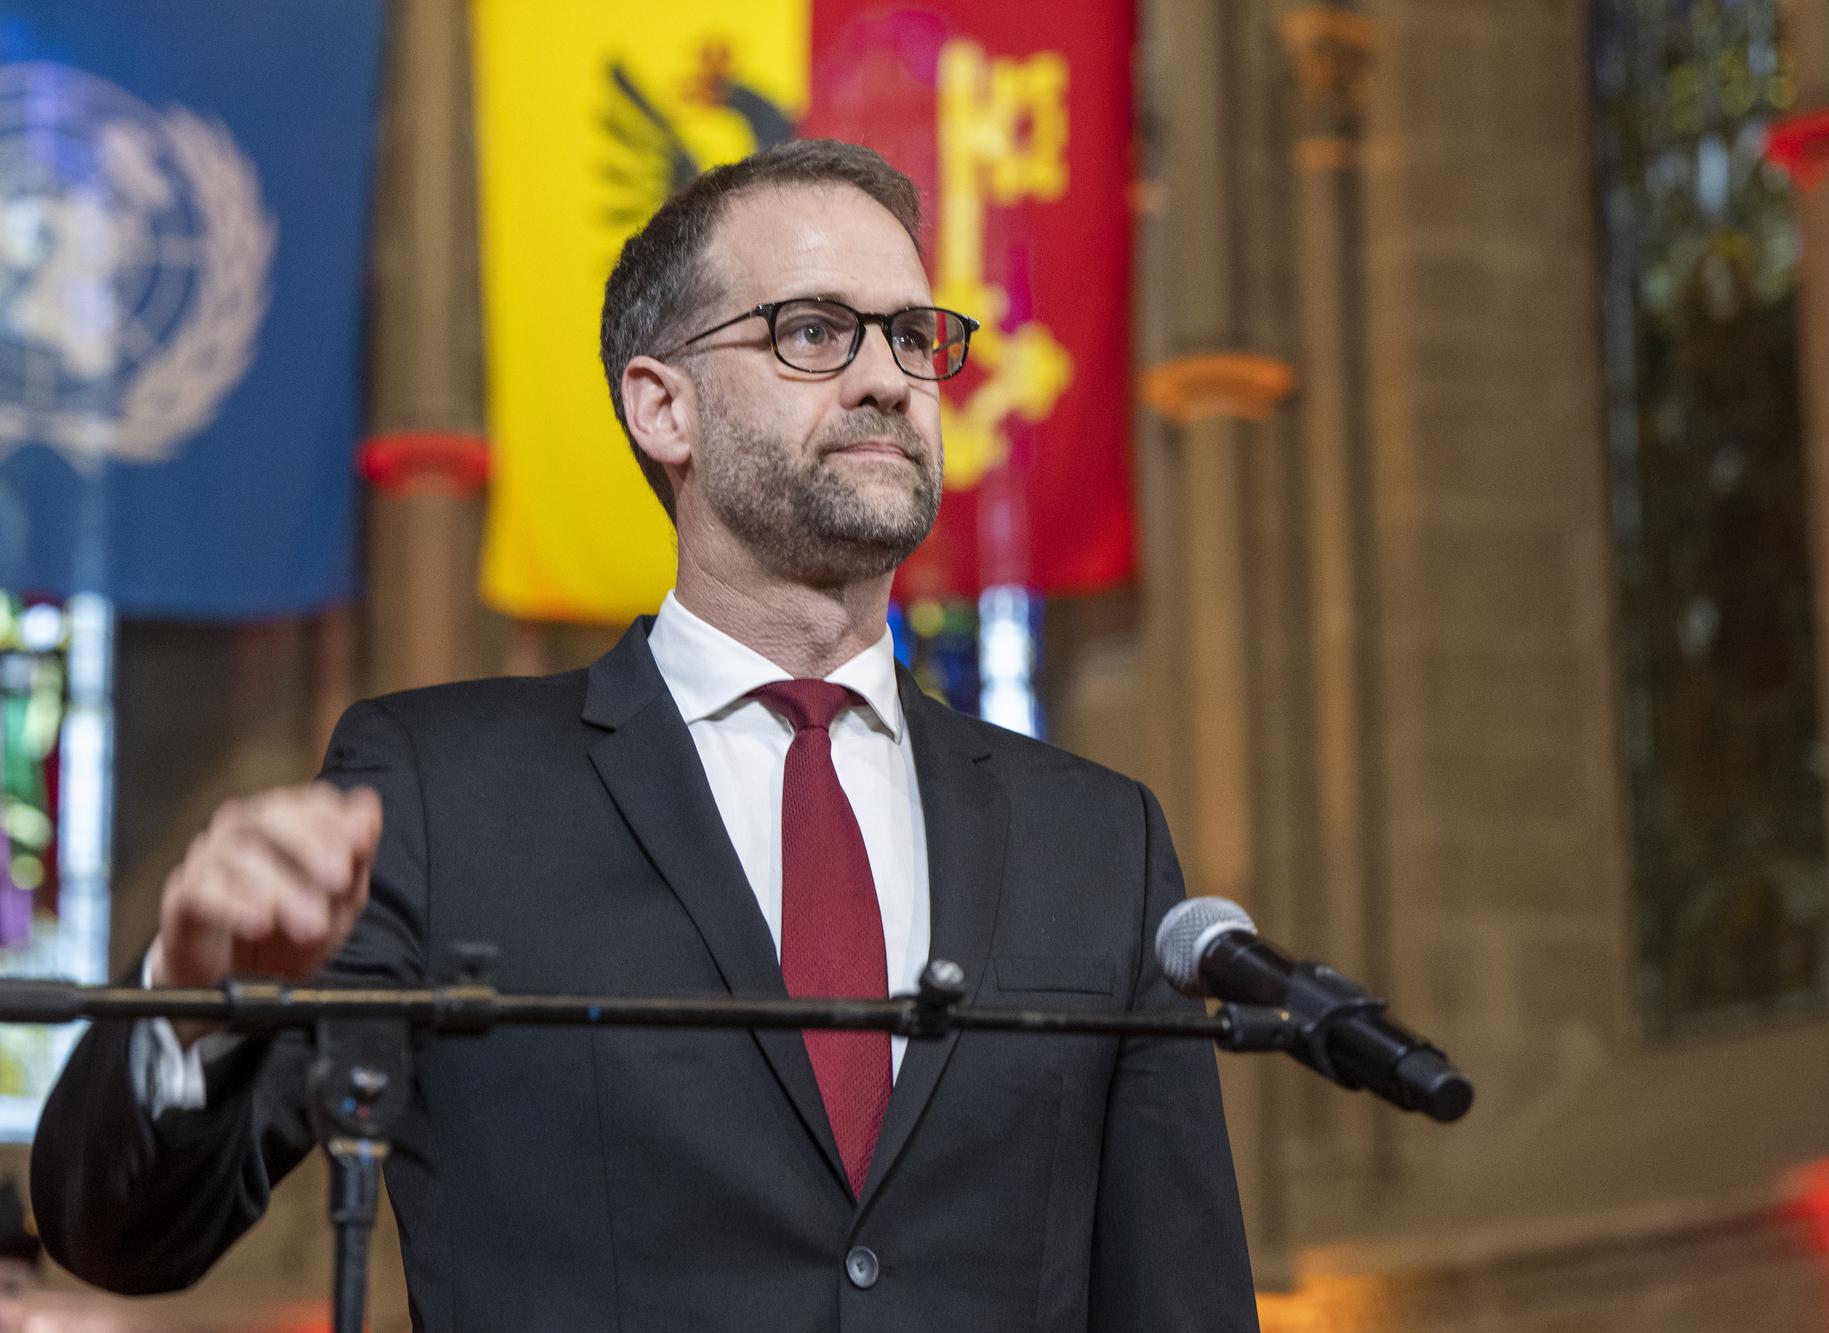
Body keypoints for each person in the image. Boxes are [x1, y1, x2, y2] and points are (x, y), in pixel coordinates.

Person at [29, 139, 1257, 1332]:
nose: (887, 378)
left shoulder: (1095, 838)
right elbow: (122, 1232)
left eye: (911, 336)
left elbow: (1181, 1297)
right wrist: (188, 1004)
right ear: (661, 406)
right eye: (814, 332)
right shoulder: (439, 795)